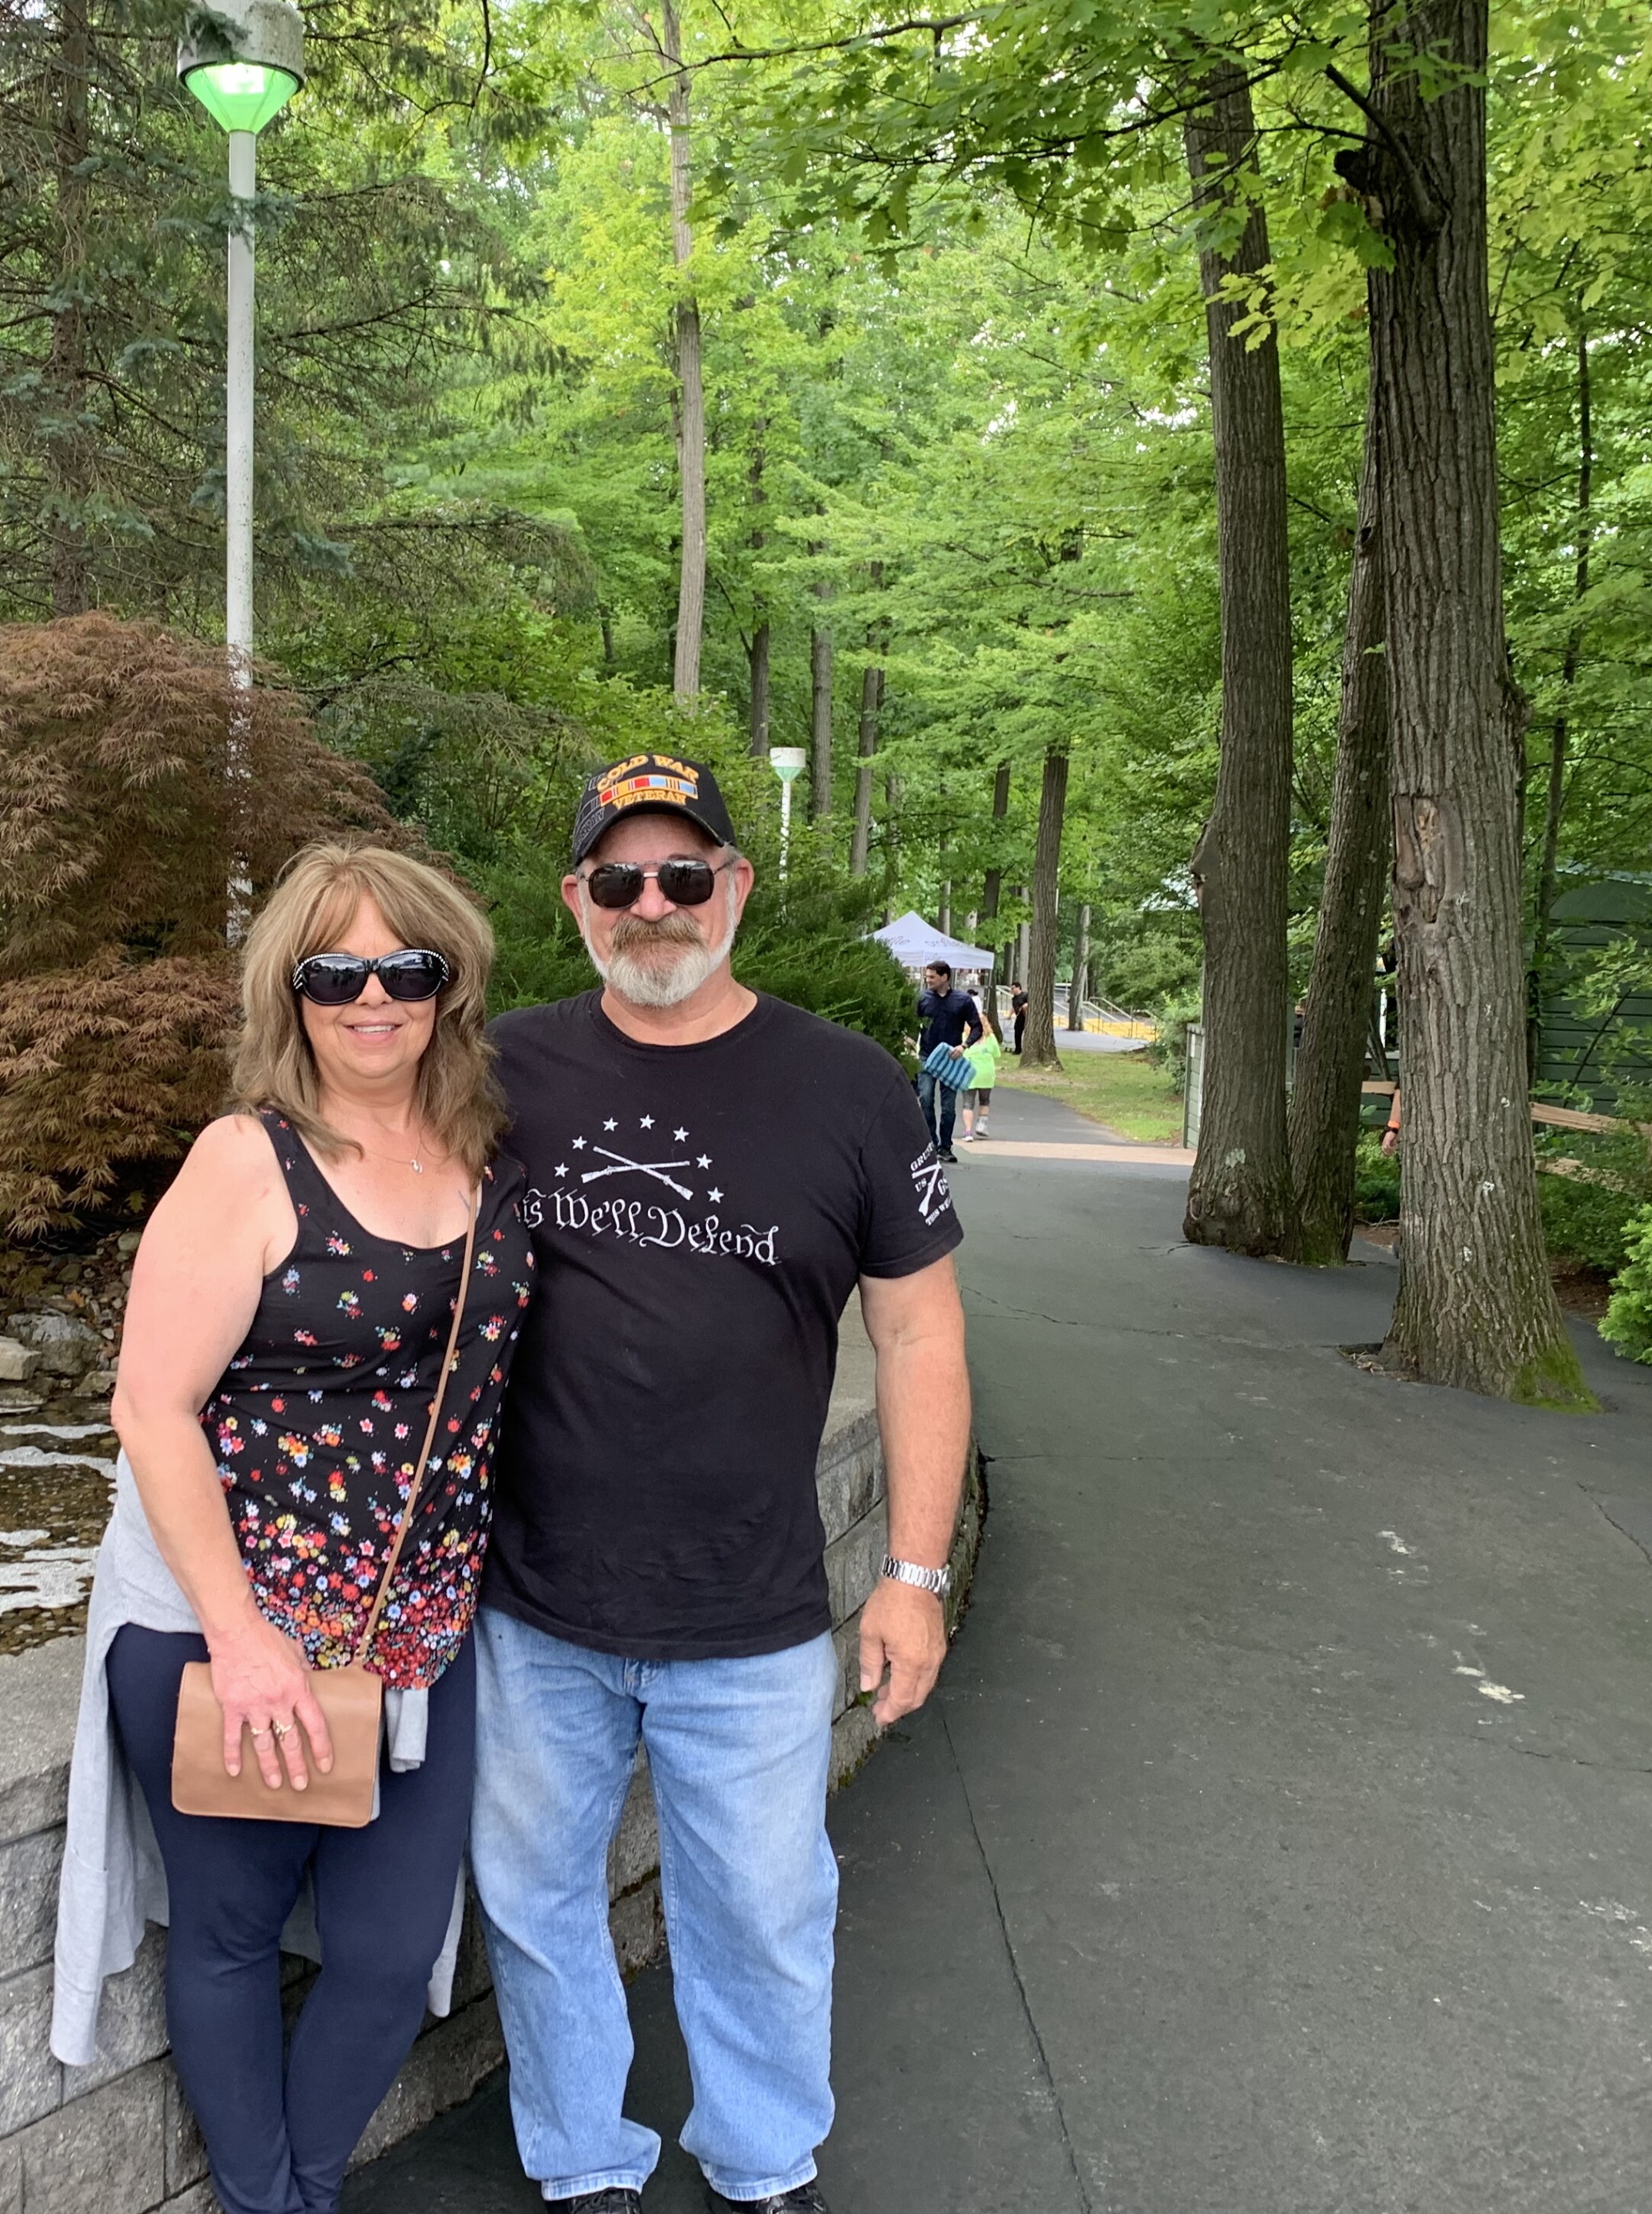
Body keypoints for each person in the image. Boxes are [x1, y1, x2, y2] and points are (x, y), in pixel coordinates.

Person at [475, 751, 973, 2214]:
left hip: (751, 1607)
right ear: (576, 899)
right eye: (620, 880)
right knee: (535, 1900)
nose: (654, 906)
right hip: (531, 1600)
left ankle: (762, 2160)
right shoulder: (496, 1071)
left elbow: (922, 1336)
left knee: (761, 1909)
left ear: (736, 887)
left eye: (684, 875)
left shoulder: (851, 1086)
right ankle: (581, 2156)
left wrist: (914, 1574)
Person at [52, 841, 533, 2214]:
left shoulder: (488, 1153)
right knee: (231, 1937)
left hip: (415, 1643)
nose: (372, 997)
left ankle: (303, 2183)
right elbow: (150, 1408)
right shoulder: (245, 1161)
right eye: (336, 973)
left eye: (406, 968)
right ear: (292, 991)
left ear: (450, 985)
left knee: (388, 1954)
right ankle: (276, 2204)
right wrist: (245, 1638)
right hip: (232, 1639)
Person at [911, 960, 981, 1163]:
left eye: (932, 977)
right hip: (926, 1057)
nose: (928, 980)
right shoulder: (922, 998)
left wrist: (964, 1046)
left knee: (948, 1107)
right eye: (927, 976)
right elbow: (914, 1023)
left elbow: (977, 1027)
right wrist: (910, 1040)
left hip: (951, 1059)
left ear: (945, 977)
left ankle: (945, 1147)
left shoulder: (963, 1000)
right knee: (925, 1100)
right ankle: (931, 1144)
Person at [957, 1016, 1000, 1144]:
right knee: (984, 1101)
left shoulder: (964, 1037)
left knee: (968, 1104)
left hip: (969, 1073)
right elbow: (997, 1053)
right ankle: (981, 1124)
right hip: (986, 1074)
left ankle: (968, 1132)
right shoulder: (990, 1037)